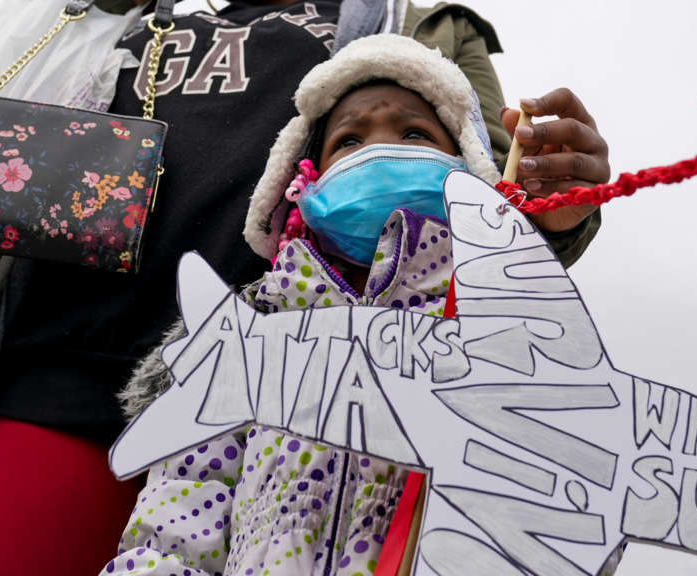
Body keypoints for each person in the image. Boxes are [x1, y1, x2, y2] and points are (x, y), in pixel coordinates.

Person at [0, 0, 612, 575]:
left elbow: (494, 191)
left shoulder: (415, 32)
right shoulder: (135, 24)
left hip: (280, 402)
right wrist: (104, 5)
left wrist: (556, 201)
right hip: (58, 378)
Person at [101, 34, 502, 576]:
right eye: (349, 141)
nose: (379, 151)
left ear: (467, 166)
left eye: (413, 133)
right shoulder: (248, 337)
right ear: (302, 184)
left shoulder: (495, 331)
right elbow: (183, 508)